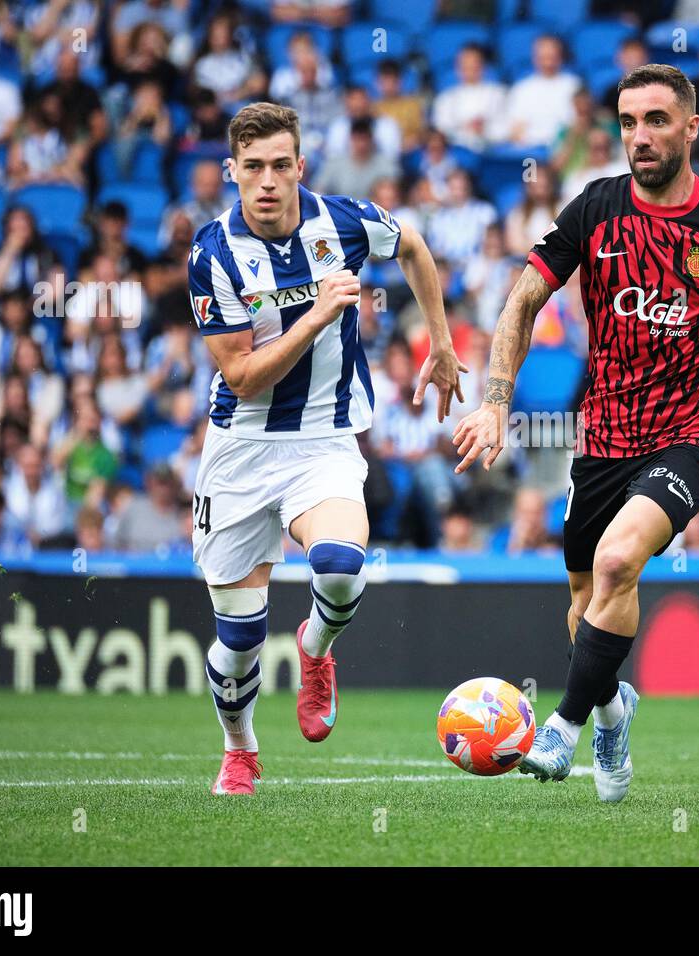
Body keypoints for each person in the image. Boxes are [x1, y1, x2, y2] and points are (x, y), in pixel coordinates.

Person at [452, 65, 699, 803]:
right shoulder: (595, 208)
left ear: (690, 128)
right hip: (606, 432)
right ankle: (615, 710)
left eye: (655, 120)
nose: (639, 136)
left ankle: (560, 728)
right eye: (626, 121)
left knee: (619, 562)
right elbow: (524, 300)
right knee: (586, 595)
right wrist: (495, 399)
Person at [188, 103, 465, 795]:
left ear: (300, 167)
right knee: (240, 639)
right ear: (234, 172)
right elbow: (245, 377)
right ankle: (240, 747)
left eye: (281, 165)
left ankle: (316, 649)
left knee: (340, 566)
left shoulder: (342, 220)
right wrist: (318, 311)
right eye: (253, 168)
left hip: (324, 439)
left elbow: (415, 248)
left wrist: (442, 341)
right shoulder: (212, 254)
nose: (268, 181)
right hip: (241, 449)